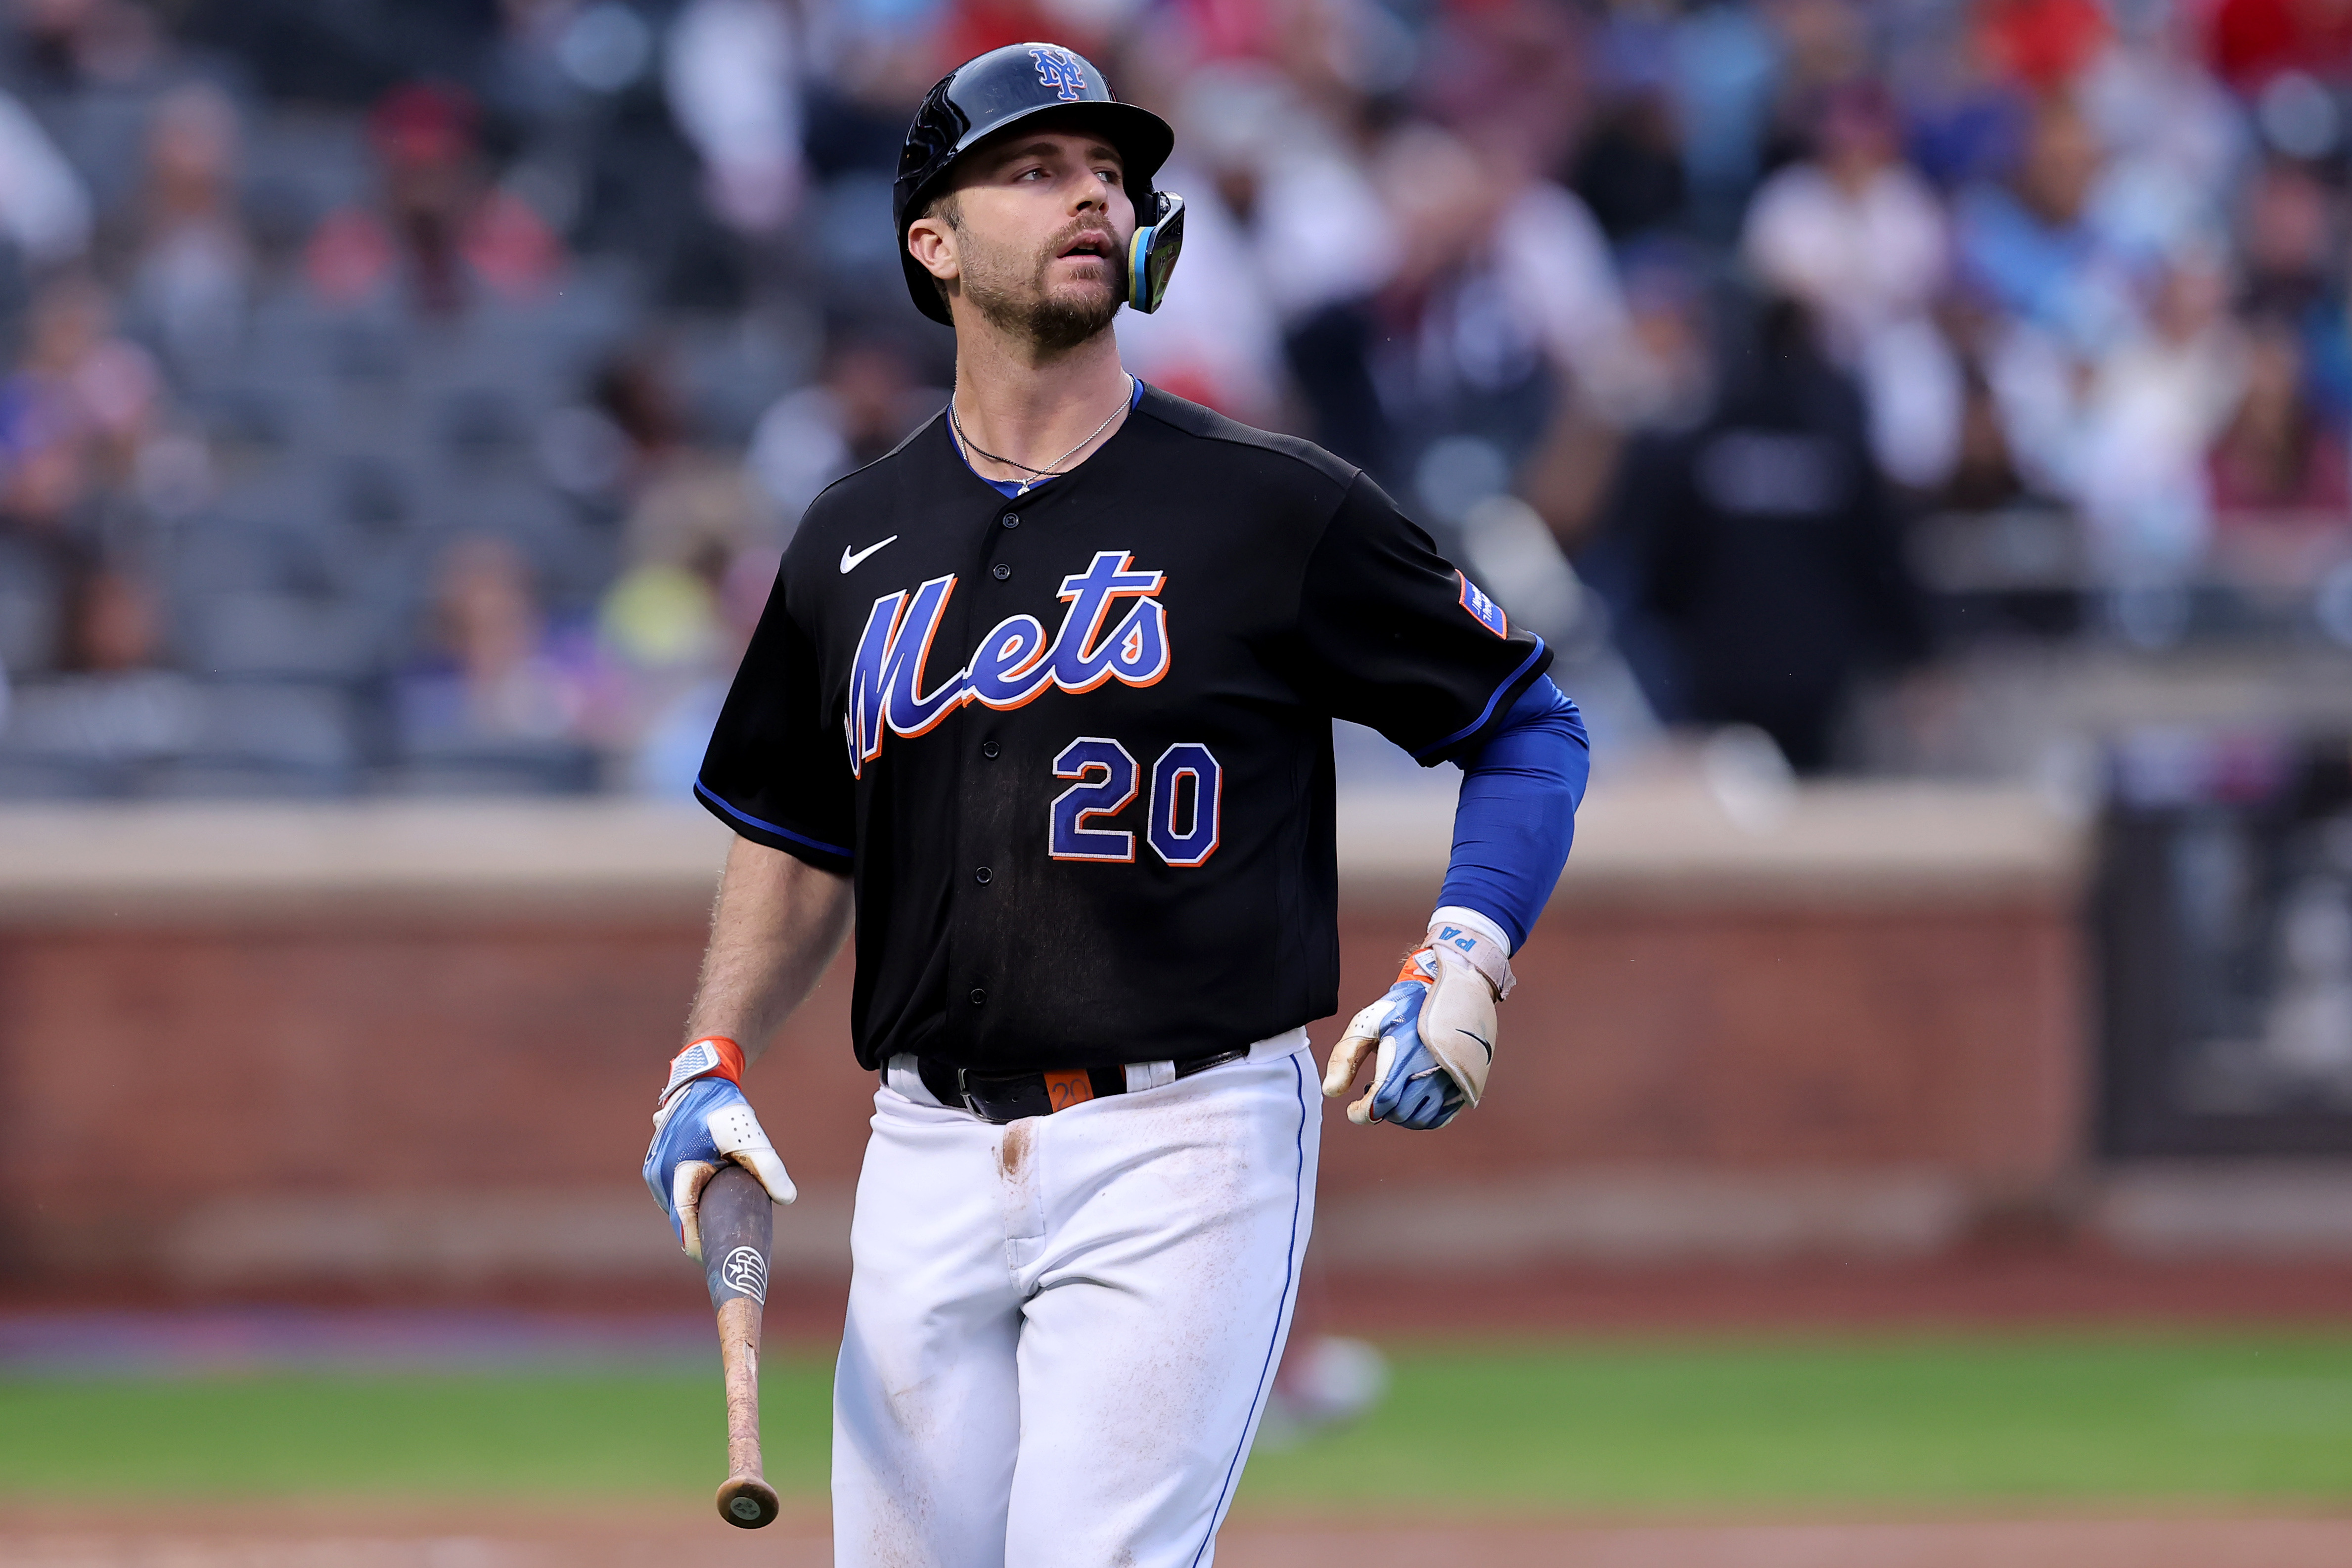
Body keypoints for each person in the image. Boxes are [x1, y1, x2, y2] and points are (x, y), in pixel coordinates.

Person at [639, 41, 1589, 1568]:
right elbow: (798, 831)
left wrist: (1466, 948)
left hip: (1186, 1133)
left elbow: (1526, 727)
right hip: (925, 1147)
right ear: (930, 245)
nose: (1090, 193)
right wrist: (711, 1048)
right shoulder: (851, 537)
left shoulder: (1274, 504)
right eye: (1034, 168)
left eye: (1108, 174)